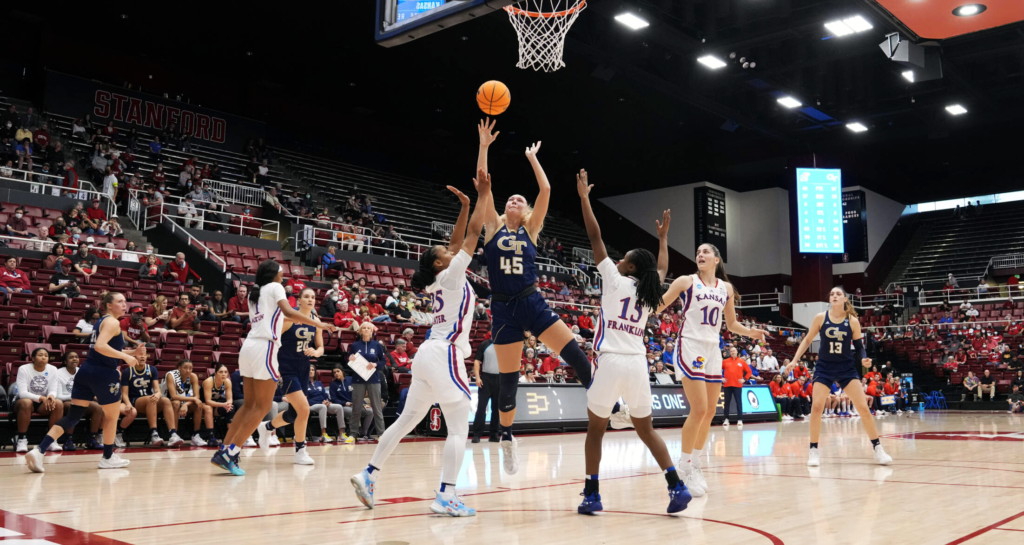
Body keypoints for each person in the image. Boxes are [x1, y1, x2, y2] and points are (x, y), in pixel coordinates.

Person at [350, 177, 487, 517]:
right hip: (445, 353)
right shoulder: (453, 275)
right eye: (444, 252)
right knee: (458, 429)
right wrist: (484, 196)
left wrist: (466, 206)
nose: (449, 249)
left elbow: (457, 241)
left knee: (405, 422)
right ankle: (446, 495)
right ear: (441, 263)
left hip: (427, 355)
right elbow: (471, 237)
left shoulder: (443, 274)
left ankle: (367, 474)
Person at [474, 119, 593, 475]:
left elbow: (546, 189)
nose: (513, 199)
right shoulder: (492, 227)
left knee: (574, 351)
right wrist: (484, 145)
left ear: (525, 211)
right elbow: (483, 182)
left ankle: (608, 405)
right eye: (510, 198)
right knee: (508, 387)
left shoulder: (531, 229)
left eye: (519, 199)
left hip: (532, 301)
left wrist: (532, 158)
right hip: (502, 310)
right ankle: (507, 436)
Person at [575, 171, 689, 514]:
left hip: (610, 360)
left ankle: (592, 495)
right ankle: (676, 486)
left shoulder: (613, 279)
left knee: (595, 431)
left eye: (623, 257)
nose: (618, 259)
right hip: (638, 364)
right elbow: (662, 269)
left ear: (630, 266)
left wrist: (583, 199)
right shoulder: (648, 293)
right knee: (646, 430)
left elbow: (594, 235)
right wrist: (663, 239)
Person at [657, 242, 767, 497]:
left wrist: (751, 332)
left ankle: (694, 462)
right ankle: (683, 466)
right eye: (697, 252)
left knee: (709, 412)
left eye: (706, 252)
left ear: (717, 259)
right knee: (700, 408)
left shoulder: (726, 288)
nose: (700, 255)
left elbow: (731, 323)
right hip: (690, 346)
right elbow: (659, 305)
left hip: (712, 349)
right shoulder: (686, 281)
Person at [212, 260, 335, 476]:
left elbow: (280, 316)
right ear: (275, 274)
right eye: (281, 272)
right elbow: (287, 311)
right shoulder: (275, 287)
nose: (283, 275)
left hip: (248, 346)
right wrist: (318, 323)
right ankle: (231, 453)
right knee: (262, 407)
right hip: (265, 347)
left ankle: (224, 449)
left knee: (249, 404)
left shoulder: (255, 292)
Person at [25, 292, 143, 472]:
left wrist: (133, 353)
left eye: (125, 301)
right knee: (111, 417)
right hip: (104, 374)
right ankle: (108, 457)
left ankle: (39, 450)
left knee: (73, 416)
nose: (124, 304)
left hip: (86, 370)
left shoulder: (101, 321)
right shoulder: (113, 322)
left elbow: (105, 349)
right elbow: (100, 346)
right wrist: (126, 357)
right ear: (109, 305)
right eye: (120, 301)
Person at [788, 287, 892, 467]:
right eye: (832, 294)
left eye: (838, 294)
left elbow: (859, 347)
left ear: (845, 298)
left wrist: (864, 359)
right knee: (817, 407)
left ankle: (878, 448)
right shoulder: (820, 318)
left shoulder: (852, 321)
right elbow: (807, 340)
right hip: (824, 368)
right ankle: (813, 450)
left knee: (863, 408)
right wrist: (795, 360)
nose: (834, 296)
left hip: (846, 368)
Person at [252, 287, 324, 465]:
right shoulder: (288, 319)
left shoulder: (316, 320)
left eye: (313, 297)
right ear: (298, 301)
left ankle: (266, 427)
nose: (310, 299)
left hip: (304, 368)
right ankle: (300, 450)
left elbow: (321, 348)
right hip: (286, 368)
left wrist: (316, 352)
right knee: (305, 409)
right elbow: (273, 342)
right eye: (306, 296)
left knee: (294, 413)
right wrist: (272, 366)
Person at [13, 348, 64, 453]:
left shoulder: (53, 369)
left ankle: (52, 440)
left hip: (42, 403)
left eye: (46, 355)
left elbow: (53, 390)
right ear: (32, 358)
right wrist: (41, 398)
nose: (44, 357)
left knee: (58, 403)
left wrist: (50, 396)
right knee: (27, 402)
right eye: (40, 355)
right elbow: (22, 393)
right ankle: (21, 439)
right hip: (23, 402)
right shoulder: (24, 368)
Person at [346, 321, 388, 440]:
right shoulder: (354, 345)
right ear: (360, 331)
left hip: (373, 379)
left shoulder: (376, 345)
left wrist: (375, 364)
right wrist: (350, 358)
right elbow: (348, 361)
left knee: (377, 407)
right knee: (356, 407)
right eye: (363, 328)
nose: (365, 330)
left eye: (368, 328)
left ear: (371, 331)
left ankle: (381, 434)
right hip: (358, 380)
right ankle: (353, 434)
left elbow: (383, 361)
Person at [120, 350, 165, 447]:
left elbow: (157, 390)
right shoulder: (128, 371)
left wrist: (157, 394)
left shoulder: (152, 369)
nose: (143, 357)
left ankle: (173, 433)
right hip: (134, 400)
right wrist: (128, 404)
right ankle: (154, 433)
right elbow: (124, 394)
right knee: (150, 399)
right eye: (140, 355)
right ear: (134, 357)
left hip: (149, 402)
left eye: (144, 355)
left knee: (166, 401)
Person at [164, 359, 206, 447]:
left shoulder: (193, 376)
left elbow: (197, 396)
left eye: (190, 368)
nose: (188, 370)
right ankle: (174, 436)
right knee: (176, 403)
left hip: (183, 402)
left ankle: (196, 436)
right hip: (167, 402)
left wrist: (186, 404)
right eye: (185, 368)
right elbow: (173, 396)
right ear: (179, 368)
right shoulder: (171, 375)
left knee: (198, 404)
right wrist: (189, 401)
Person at [305, 366, 351, 443]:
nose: (311, 371)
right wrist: (321, 403)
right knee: (322, 407)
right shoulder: (304, 384)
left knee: (339, 407)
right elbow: (305, 399)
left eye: (313, 370)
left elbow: (325, 395)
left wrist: (327, 401)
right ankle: (323, 434)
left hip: (322, 404)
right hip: (311, 405)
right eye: (309, 370)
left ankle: (341, 434)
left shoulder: (319, 383)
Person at [330, 366, 373, 439]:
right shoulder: (333, 384)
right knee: (351, 411)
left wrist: (363, 404)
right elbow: (334, 399)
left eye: (338, 371)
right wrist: (344, 403)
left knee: (370, 411)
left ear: (342, 371)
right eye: (334, 372)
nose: (336, 374)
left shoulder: (351, 380)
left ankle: (363, 433)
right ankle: (353, 432)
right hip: (343, 406)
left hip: (355, 404)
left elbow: (359, 393)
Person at [472, 337, 500, 443]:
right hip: (486, 378)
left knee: (496, 409)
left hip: (499, 378)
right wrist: (478, 377)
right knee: (481, 407)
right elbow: (476, 361)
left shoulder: (504, 344)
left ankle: (494, 434)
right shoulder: (484, 344)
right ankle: (477, 434)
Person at [200, 364, 233, 446]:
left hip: (217, 405)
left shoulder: (227, 382)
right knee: (208, 408)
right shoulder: (209, 381)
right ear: (215, 374)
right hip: (202, 404)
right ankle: (211, 437)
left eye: (225, 372)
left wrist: (228, 404)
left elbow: (229, 398)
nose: (223, 374)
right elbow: (208, 401)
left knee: (231, 408)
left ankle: (230, 437)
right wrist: (223, 404)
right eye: (221, 372)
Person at [721, 346, 752, 429]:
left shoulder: (742, 362)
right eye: (731, 351)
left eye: (734, 350)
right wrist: (721, 378)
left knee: (739, 402)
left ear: (737, 351)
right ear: (729, 352)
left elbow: (749, 371)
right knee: (726, 403)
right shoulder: (725, 361)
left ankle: (740, 419)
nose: (732, 352)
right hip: (727, 385)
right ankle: (726, 419)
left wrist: (744, 379)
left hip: (737, 385)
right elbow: (717, 369)